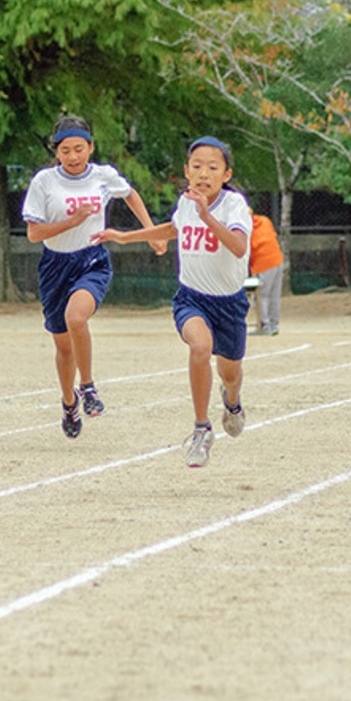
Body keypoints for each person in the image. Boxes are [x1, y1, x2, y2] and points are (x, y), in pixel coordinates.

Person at [93, 136, 252, 468]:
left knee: (231, 372)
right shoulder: (186, 203)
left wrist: (207, 216)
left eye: (212, 167)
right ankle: (201, 429)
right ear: (186, 170)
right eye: (196, 166)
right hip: (192, 298)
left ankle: (232, 402)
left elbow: (238, 247)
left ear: (226, 174)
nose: (203, 173)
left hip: (230, 304)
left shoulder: (235, 205)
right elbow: (173, 229)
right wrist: (126, 236)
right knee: (199, 348)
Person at [22, 114, 159, 439]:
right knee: (63, 345)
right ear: (56, 151)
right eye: (66, 150)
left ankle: (88, 386)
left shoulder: (103, 176)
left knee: (77, 318)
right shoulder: (43, 182)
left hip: (92, 260)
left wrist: (150, 230)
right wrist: (72, 221)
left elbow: (130, 194)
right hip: (55, 266)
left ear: (91, 147)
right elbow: (33, 233)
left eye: (79, 149)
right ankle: (69, 403)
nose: (73, 156)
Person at [249, 213, 284, 335]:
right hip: (277, 259)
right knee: (274, 294)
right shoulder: (265, 220)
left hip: (263, 263)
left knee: (260, 296)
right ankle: (274, 325)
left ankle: (264, 327)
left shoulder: (246, 228)